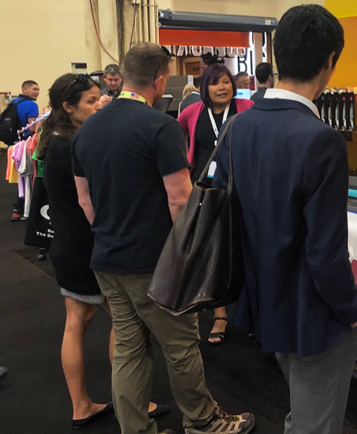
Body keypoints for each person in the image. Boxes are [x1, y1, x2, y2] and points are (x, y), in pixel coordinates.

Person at [72, 42, 254, 434]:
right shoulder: (160, 126)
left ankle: (135, 429)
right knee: (180, 346)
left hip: (107, 258)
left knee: (129, 348)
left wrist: (112, 234)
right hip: (155, 263)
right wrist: (189, 258)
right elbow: (180, 200)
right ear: (159, 79)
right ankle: (203, 422)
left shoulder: (88, 129)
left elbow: (85, 201)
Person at [214, 5, 357, 434]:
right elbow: (326, 254)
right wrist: (351, 308)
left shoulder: (238, 127)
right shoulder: (321, 140)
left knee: (303, 412)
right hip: (312, 315)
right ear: (330, 60)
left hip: (264, 301)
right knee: (316, 422)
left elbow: (226, 216)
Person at [39, 73, 168, 430]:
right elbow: (93, 198)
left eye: (99, 98)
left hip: (67, 245)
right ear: (68, 106)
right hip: (89, 247)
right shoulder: (72, 146)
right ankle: (134, 402)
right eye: (91, 101)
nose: (99, 105)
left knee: (78, 322)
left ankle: (82, 405)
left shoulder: (55, 141)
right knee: (128, 326)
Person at [177, 64, 253, 343]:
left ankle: (250, 310)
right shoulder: (193, 112)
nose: (222, 87)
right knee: (212, 251)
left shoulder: (247, 108)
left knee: (244, 247)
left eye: (226, 82)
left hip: (242, 188)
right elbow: (175, 132)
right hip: (206, 190)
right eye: (215, 83)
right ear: (204, 88)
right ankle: (219, 314)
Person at [10, 80, 40, 221]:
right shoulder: (31, 105)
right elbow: (32, 127)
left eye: (38, 89)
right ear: (25, 89)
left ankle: (17, 209)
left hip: (14, 145)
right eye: (34, 89)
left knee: (21, 177)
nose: (37, 92)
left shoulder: (14, 103)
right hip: (26, 146)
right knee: (29, 176)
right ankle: (27, 208)